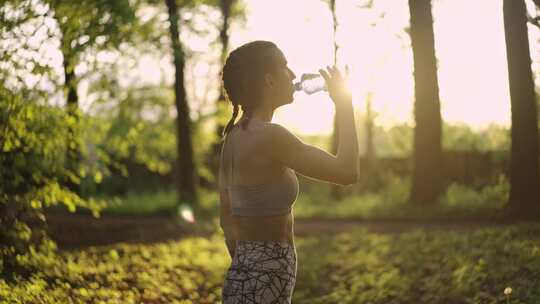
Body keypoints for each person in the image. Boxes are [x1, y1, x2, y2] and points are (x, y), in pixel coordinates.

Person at [219, 40, 359, 304]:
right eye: (285, 66)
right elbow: (348, 171)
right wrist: (345, 104)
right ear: (269, 81)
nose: (294, 75)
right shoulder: (270, 137)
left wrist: (250, 269)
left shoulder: (234, 138)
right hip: (261, 286)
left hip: (248, 281)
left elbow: (226, 220)